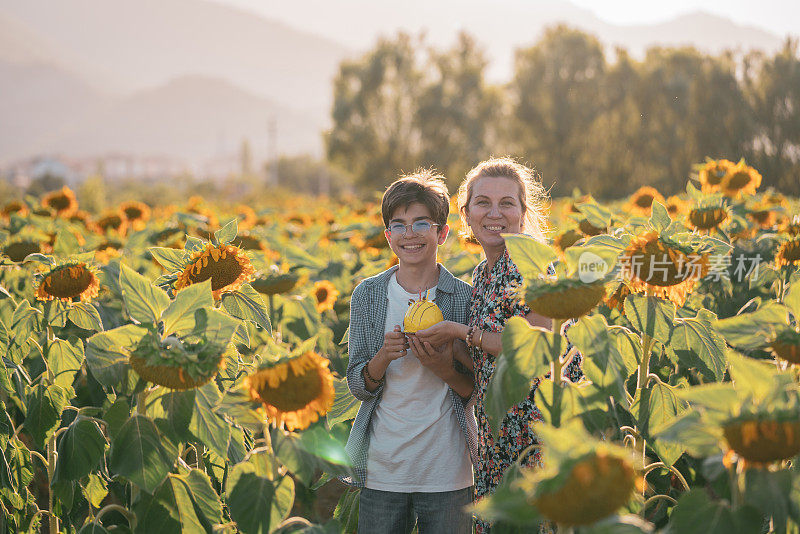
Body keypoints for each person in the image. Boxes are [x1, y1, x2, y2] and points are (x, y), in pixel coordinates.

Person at [415, 157, 582, 533]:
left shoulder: (531, 264)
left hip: (541, 428)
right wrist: (435, 347)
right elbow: (487, 362)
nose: (495, 213)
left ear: (524, 212)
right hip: (499, 432)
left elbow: (535, 343)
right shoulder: (483, 273)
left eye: (507, 203)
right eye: (483, 203)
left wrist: (459, 332)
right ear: (467, 215)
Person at [344, 170, 478, 534]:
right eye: (399, 225)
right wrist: (383, 357)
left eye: (422, 223)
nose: (410, 234)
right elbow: (357, 384)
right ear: (388, 236)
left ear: (442, 232)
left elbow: (477, 390)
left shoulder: (464, 298)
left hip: (448, 469)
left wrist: (445, 367)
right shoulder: (368, 295)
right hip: (383, 468)